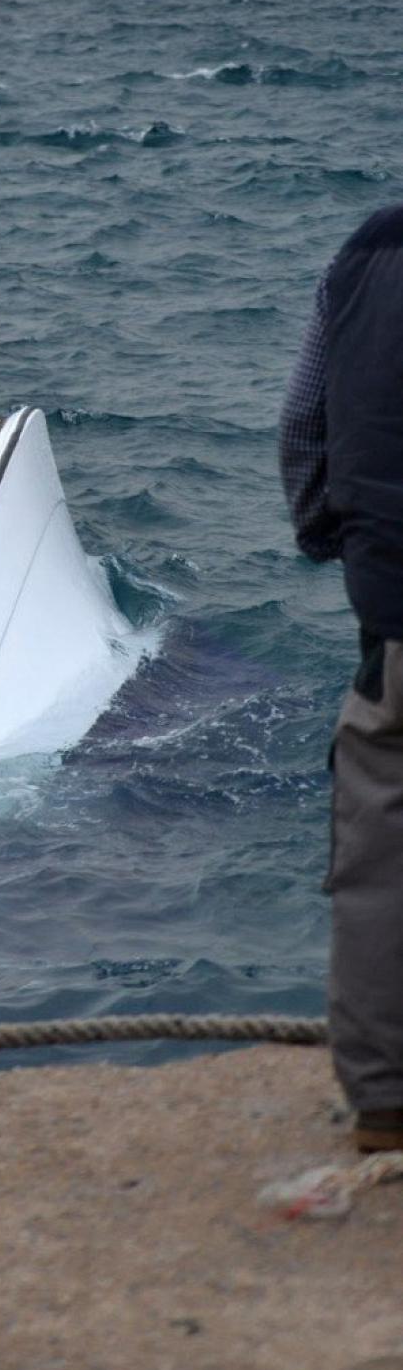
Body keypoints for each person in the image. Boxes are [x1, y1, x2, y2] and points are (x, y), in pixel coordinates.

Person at [281, 203, 403, 1153]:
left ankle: (385, 1104)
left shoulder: (366, 251)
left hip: (397, 617)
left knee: (377, 866)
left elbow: (305, 428)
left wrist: (340, 540)